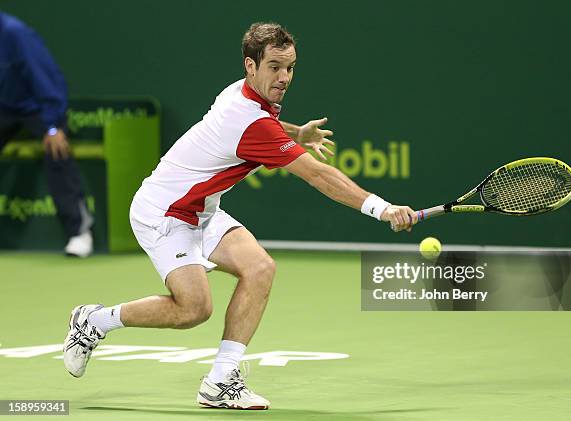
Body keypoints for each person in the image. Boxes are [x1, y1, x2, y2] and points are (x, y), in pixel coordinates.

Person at [62, 22, 417, 410]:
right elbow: (317, 175)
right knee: (193, 310)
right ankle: (94, 321)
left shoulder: (242, 94)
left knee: (260, 268)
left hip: (202, 211)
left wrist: (296, 134)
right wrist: (381, 208)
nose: (284, 78)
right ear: (252, 65)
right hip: (163, 213)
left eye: (291, 68)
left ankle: (220, 381)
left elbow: (265, 127)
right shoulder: (249, 120)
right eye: (275, 67)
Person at [0, 12, 93, 257]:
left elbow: (45, 77)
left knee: (56, 149)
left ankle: (79, 232)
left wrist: (52, 125)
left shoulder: (14, 33)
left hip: (36, 106)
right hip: (3, 108)